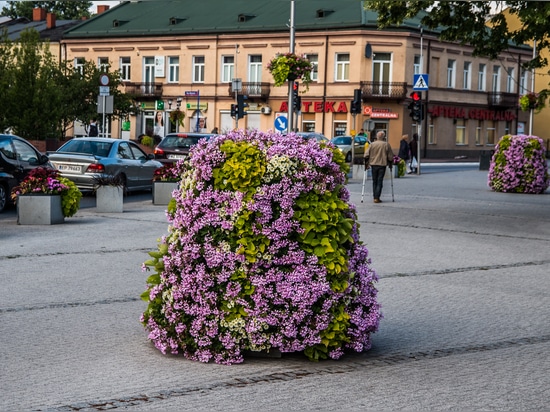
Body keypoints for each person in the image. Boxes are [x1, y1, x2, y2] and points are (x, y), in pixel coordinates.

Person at [364, 130, 394, 204]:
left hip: (373, 164)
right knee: (380, 180)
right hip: (382, 164)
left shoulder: (372, 144)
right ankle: (377, 197)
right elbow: (390, 156)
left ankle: (375, 197)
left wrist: (366, 163)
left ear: (377, 137)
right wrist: (390, 162)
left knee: (374, 181)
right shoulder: (386, 144)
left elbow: (366, 155)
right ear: (384, 137)